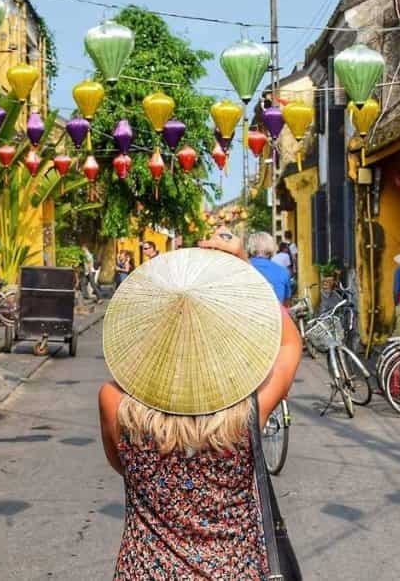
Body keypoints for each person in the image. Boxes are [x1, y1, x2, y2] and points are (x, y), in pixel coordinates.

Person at [98, 242, 302, 579]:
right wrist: (244, 271)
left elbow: (120, 464)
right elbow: (289, 342)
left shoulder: (113, 402)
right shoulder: (247, 413)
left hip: (145, 571)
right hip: (236, 571)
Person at [247, 232, 292, 305]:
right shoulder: (282, 271)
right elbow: (286, 302)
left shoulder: (242, 268)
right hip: (274, 315)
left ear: (250, 247)